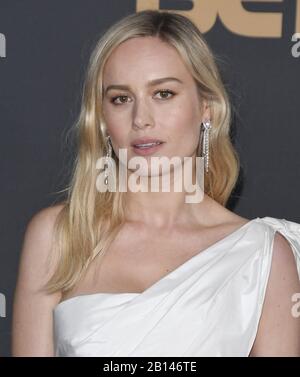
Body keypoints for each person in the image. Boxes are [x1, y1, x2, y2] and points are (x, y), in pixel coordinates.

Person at [12, 10, 300, 357]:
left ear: (206, 107)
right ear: (102, 119)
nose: (141, 119)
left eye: (163, 94)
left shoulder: (262, 256)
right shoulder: (60, 236)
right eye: (121, 98)